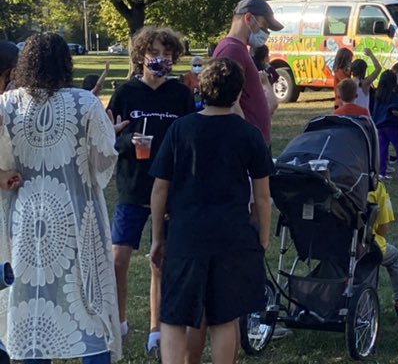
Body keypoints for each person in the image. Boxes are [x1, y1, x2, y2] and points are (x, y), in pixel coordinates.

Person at [0, 33, 121, 364]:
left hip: (25, 219)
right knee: (89, 300)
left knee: (30, 301)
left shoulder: (8, 104)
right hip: (76, 214)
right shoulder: (85, 103)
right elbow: (103, 161)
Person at [150, 58, 273, 364]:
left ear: (201, 88)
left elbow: (160, 188)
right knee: (224, 318)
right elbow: (263, 196)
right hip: (232, 233)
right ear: (238, 92)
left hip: (186, 233)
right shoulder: (249, 133)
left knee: (174, 316)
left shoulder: (180, 129)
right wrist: (264, 237)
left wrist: (156, 237)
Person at [108, 26, 194, 356]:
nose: (162, 60)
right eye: (156, 54)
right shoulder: (126, 93)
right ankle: (119, 323)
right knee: (119, 257)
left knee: (161, 260)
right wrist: (129, 141)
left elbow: (191, 136)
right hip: (132, 183)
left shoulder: (180, 95)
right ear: (142, 56)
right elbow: (108, 137)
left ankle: (157, 330)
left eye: (168, 55)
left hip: (170, 188)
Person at [212, 0, 283, 146]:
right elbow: (231, 104)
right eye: (263, 26)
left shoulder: (240, 49)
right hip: (247, 146)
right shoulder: (232, 51)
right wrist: (247, 143)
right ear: (249, 18)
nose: (265, 33)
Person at [367, 180, 398, 321]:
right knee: (394, 255)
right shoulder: (375, 186)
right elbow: (383, 230)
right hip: (363, 247)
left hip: (325, 245)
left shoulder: (324, 182)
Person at [373, 70, 398, 180]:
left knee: (383, 149)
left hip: (380, 125)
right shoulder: (394, 95)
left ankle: (382, 173)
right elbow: (394, 111)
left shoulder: (378, 95)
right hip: (391, 125)